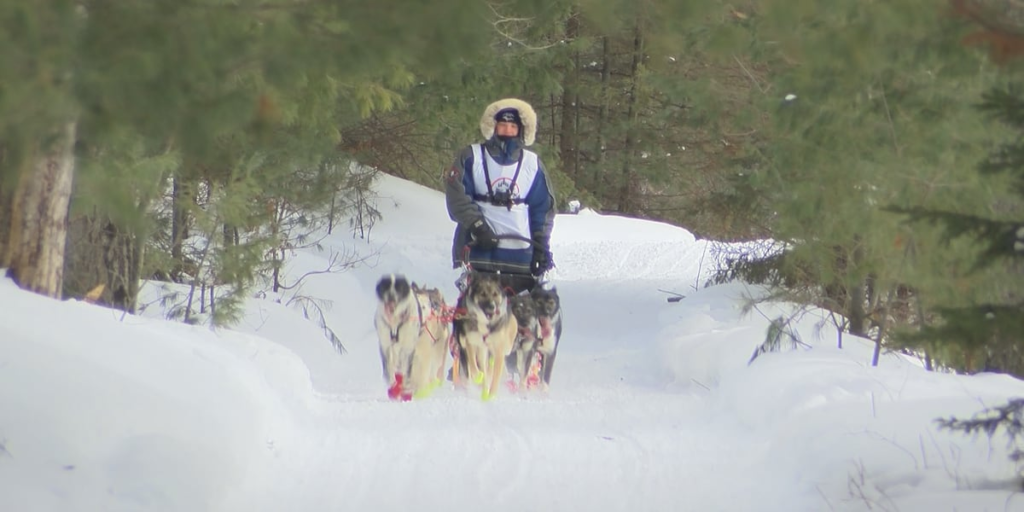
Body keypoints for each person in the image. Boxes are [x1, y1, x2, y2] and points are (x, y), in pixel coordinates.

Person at [445, 98, 555, 294]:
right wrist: (478, 226)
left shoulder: (532, 164)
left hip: (520, 257)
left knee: (519, 312)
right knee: (476, 310)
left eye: (513, 126)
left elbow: (542, 208)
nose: (507, 130)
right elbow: (457, 196)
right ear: (493, 126)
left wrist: (541, 246)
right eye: (502, 125)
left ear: (521, 130)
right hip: (478, 250)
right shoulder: (471, 157)